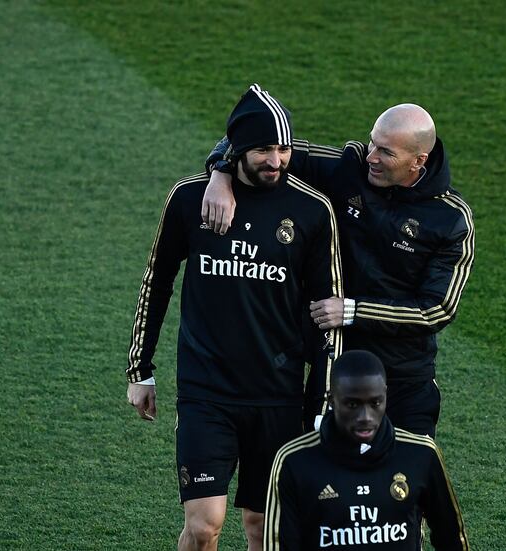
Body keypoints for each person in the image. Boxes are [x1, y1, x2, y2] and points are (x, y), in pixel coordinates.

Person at [125, 83, 343, 551]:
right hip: (207, 392)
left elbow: (329, 316)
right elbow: (156, 282)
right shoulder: (189, 200)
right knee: (205, 525)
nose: (277, 160)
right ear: (237, 149)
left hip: (278, 394)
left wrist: (322, 402)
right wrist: (140, 371)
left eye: (283, 149)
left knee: (264, 530)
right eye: (264, 149)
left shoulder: (311, 210)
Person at [203, 98, 475, 438]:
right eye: (373, 142)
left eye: (386, 152)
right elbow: (244, 137)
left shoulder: (450, 218)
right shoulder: (349, 166)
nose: (372, 156)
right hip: (334, 365)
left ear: (418, 161)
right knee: (322, 480)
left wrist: (353, 310)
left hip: (404, 379)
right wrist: (220, 174)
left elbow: (437, 309)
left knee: (406, 484)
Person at [263, 350, 470, 550]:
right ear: (332, 399)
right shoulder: (295, 461)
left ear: (385, 396)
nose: (366, 417)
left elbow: (451, 539)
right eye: (352, 404)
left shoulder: (420, 454)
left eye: (375, 403)